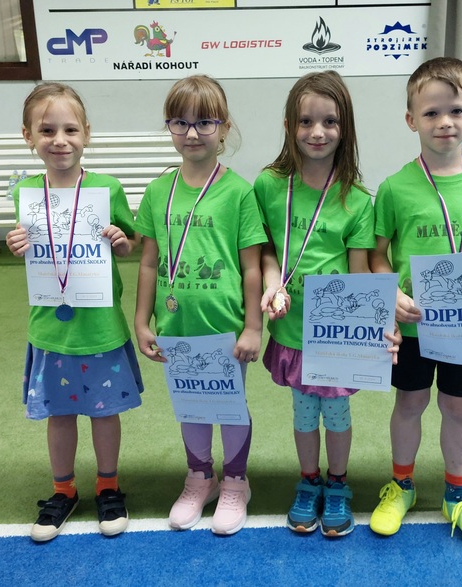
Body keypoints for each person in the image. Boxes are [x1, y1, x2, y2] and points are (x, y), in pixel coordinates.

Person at [368, 57, 462, 554]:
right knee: (409, 403)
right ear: (411, 119)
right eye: (431, 113)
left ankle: (458, 496)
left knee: (458, 407)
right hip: (414, 326)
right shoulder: (394, 187)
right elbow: (376, 256)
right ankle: (402, 486)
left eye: (455, 110)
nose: (444, 122)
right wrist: (392, 293)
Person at [256, 70, 399, 538]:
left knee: (336, 414)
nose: (317, 132)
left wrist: (381, 320)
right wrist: (272, 285)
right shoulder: (269, 185)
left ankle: (337, 484)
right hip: (292, 329)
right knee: (303, 414)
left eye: (329, 122)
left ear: (345, 127)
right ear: (288, 126)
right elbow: (267, 250)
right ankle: (308, 481)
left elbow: (359, 273)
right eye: (306, 121)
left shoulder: (356, 199)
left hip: (338, 336)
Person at [5, 83, 143, 542]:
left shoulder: (107, 188)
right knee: (60, 415)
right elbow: (31, 249)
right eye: (47, 130)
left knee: (104, 413)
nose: (59, 140)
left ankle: (108, 486)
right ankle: (63, 490)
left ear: (87, 132)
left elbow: (132, 242)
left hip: (101, 327)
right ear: (28, 135)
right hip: (51, 329)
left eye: (70, 129)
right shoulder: (26, 191)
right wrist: (15, 243)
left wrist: (122, 241)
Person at [134, 75, 265, 536]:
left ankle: (235, 482)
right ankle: (199, 478)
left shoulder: (239, 192)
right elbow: (148, 262)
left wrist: (253, 326)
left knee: (228, 404)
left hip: (225, 327)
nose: (192, 133)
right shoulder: (158, 191)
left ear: (224, 128)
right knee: (190, 404)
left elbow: (252, 267)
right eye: (180, 122)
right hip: (176, 325)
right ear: (169, 127)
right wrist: (141, 319)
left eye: (204, 122)